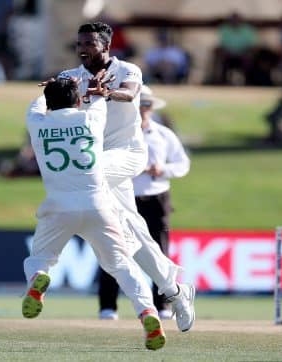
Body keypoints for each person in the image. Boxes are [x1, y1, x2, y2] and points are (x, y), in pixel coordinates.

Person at [58, 22, 195, 332]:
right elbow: (56, 107)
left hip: (128, 153)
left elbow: (129, 93)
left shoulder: (128, 70)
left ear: (106, 47)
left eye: (89, 43)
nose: (82, 48)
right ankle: (174, 290)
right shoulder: (71, 77)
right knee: (129, 234)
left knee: (92, 179)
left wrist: (106, 92)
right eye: (79, 43)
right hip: (97, 160)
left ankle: (168, 289)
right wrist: (52, 96)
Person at [22, 77, 166, 351]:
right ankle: (147, 312)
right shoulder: (90, 119)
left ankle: (37, 280)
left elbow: (36, 105)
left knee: (39, 260)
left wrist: (51, 87)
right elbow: (100, 98)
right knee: (122, 265)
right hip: (98, 203)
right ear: (77, 101)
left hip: (57, 206)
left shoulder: (37, 122)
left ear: (49, 102)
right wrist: (91, 89)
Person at [98, 85, 190, 320]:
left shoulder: (163, 134)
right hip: (122, 199)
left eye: (146, 106)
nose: (143, 110)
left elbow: (182, 164)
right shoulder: (116, 135)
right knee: (113, 250)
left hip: (155, 198)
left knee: (159, 250)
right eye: (139, 106)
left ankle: (164, 306)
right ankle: (108, 307)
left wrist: (162, 170)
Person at [213, 12, 258, 85]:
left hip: (243, 55)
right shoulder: (224, 29)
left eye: (237, 20)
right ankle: (221, 81)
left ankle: (248, 81)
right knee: (221, 56)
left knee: (249, 57)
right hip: (228, 55)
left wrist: (243, 53)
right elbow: (220, 45)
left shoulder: (248, 30)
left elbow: (252, 46)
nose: (235, 21)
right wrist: (227, 52)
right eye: (232, 20)